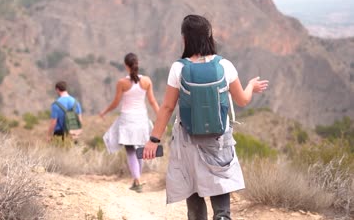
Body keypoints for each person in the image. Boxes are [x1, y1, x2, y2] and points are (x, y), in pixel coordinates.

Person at [143, 15, 269, 220]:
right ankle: (221, 216)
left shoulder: (179, 68)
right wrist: (251, 87)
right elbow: (243, 100)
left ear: (184, 39)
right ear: (209, 37)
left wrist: (153, 140)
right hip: (219, 139)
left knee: (193, 189)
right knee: (219, 187)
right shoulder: (225, 65)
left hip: (188, 140)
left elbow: (167, 107)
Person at [100, 53, 160, 192]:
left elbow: (115, 103)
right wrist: (160, 117)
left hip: (127, 119)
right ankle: (137, 179)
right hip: (141, 119)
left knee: (130, 151)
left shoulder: (122, 83)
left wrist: (104, 112)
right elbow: (152, 101)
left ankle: (137, 180)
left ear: (126, 66)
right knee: (140, 149)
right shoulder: (147, 81)